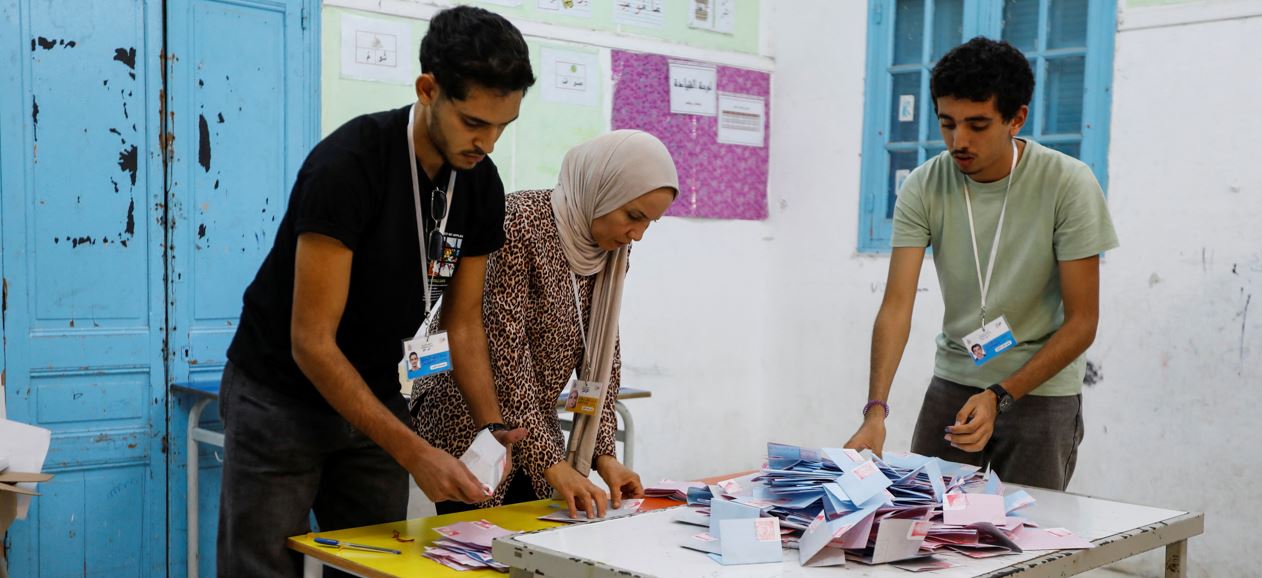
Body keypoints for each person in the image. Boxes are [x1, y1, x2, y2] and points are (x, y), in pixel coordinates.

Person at [217, 6, 535, 576]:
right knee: (259, 567)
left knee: (374, 565)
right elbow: (311, 342)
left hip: (377, 395)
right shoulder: (349, 165)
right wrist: (414, 451)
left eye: (503, 127)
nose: (487, 142)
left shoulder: (480, 184)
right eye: (472, 122)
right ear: (428, 88)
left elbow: (463, 323)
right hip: (280, 396)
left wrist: (490, 424)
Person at [843, 37, 1118, 491]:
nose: (958, 141)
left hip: (1040, 392)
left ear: (1017, 119)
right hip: (953, 383)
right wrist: (876, 411)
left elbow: (1083, 321)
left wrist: (1000, 395)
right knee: (923, 528)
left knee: (1030, 544)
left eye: (977, 125)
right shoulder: (924, 185)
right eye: (947, 124)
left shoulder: (1068, 184)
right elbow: (896, 307)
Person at [412, 130, 678, 518]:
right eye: (632, 216)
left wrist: (606, 456)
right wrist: (553, 465)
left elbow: (600, 356)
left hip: (534, 419)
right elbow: (505, 355)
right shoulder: (519, 222)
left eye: (649, 223)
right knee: (480, 550)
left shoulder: (609, 252)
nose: (636, 233)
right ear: (599, 190)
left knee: (541, 543)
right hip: (467, 418)